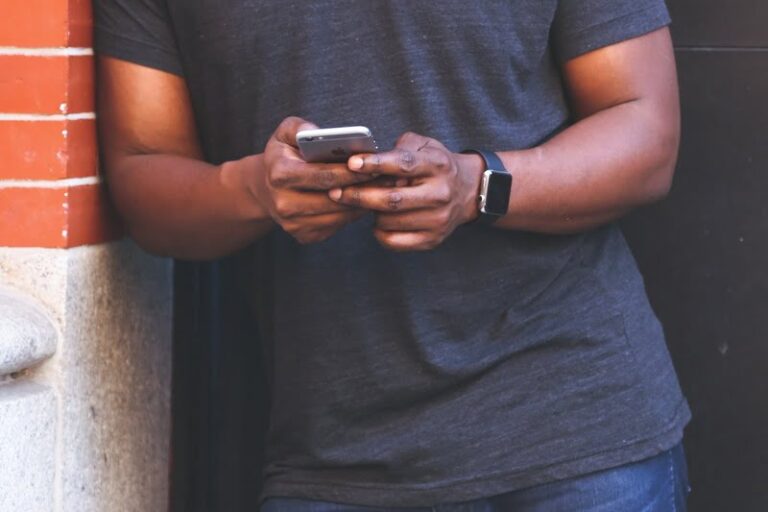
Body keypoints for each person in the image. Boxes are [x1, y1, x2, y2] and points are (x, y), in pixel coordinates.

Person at [95, 1, 691, 510]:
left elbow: (645, 129)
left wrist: (474, 185)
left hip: (579, 433)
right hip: (334, 460)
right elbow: (144, 176)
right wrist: (252, 190)